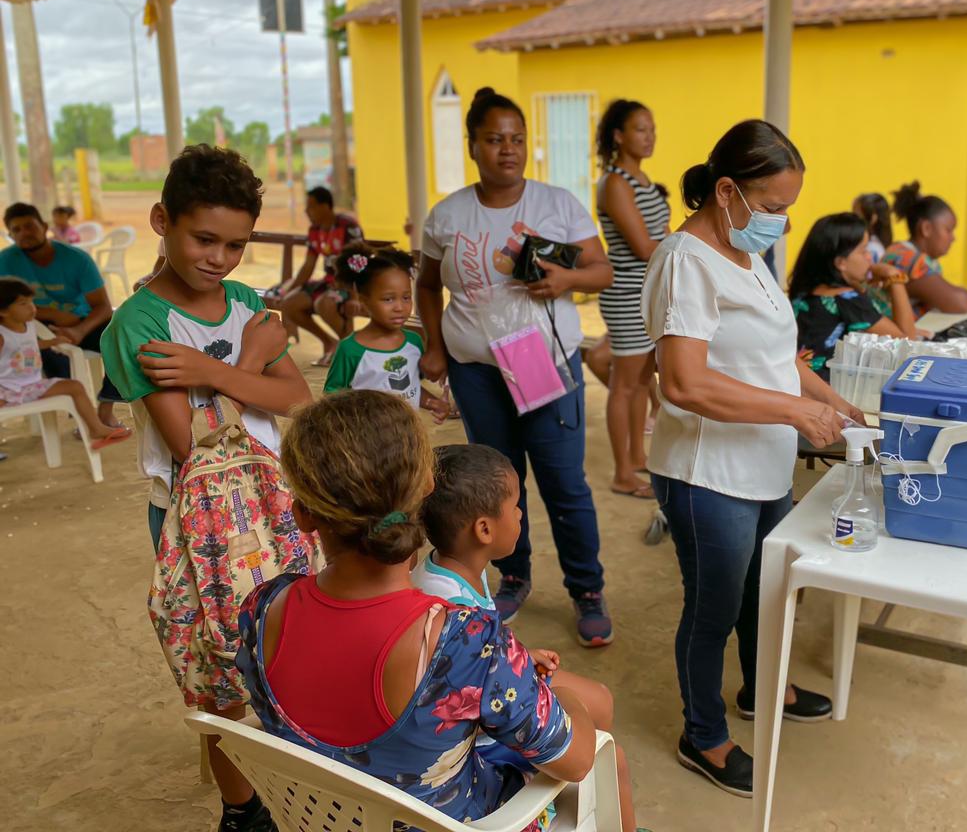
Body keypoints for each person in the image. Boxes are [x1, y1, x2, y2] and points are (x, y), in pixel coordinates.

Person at [237, 391, 621, 831]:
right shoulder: (466, 642)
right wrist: (559, 695)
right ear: (426, 490)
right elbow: (573, 762)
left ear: (303, 515)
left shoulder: (262, 611)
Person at [641, 119, 862, 796]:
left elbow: (777, 361)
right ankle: (702, 735)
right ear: (728, 191)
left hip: (761, 464)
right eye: (772, 208)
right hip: (708, 473)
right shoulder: (686, 261)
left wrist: (840, 404)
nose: (780, 223)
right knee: (713, 607)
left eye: (787, 210)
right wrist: (798, 414)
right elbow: (684, 382)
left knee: (763, 592)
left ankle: (763, 687)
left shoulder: (746, 257)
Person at [102, 144, 312, 832]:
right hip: (193, 524)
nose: (219, 258)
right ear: (163, 220)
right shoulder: (140, 324)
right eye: (204, 238)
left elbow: (292, 394)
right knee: (219, 675)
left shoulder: (246, 303)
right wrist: (249, 363)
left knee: (294, 652)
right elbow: (195, 447)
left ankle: (304, 778)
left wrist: (215, 373)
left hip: (276, 509)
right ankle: (242, 808)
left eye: (235, 244)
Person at [417, 87, 615, 647]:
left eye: (518, 139)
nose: (508, 149)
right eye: (495, 139)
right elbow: (428, 285)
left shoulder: (556, 204)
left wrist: (566, 281)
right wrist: (434, 343)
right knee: (499, 483)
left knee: (563, 482)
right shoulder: (448, 214)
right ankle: (515, 575)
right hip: (476, 366)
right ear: (473, 145)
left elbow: (600, 271)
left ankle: (587, 589)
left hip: (541, 363)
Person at [412, 443, 645, 831]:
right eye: (516, 505)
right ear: (484, 529)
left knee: (601, 702)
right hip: (481, 748)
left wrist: (516, 653)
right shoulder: (449, 604)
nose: (521, 514)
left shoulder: (448, 567)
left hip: (487, 698)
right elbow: (468, 683)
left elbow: (478, 652)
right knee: (610, 753)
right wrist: (539, 685)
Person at [595, 99, 670, 499]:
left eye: (653, 128)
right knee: (624, 384)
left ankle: (638, 455)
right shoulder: (616, 182)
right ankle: (623, 472)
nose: (650, 135)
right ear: (619, 136)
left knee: (643, 380)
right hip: (626, 291)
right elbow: (643, 246)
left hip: (649, 291)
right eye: (641, 129)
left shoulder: (643, 181)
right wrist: (683, 240)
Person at [1, 203, 124, 427]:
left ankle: (105, 409)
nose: (24, 233)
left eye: (29, 226)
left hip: (82, 321)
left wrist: (79, 329)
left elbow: (103, 306)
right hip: (33, 325)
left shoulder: (76, 259)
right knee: (50, 353)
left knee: (121, 342)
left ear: (45, 226)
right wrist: (52, 314)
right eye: (16, 230)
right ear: (10, 235)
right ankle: (79, 416)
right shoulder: (6, 262)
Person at [322, 242, 451, 421]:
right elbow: (331, 399)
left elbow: (409, 388)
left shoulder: (414, 342)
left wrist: (432, 402)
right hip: (367, 440)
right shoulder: (350, 350)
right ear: (363, 299)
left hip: (408, 435)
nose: (400, 307)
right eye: (388, 299)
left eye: (406, 297)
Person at [0, 276, 131, 448]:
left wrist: (51, 342)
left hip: (32, 385)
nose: (32, 308)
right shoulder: (2, 334)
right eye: (23, 303)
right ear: (3, 311)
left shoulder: (30, 325)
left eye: (32, 302)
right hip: (5, 388)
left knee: (75, 387)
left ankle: (97, 428)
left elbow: (28, 346)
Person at [789, 212, 917, 380]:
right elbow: (908, 340)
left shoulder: (805, 292)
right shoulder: (847, 299)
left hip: (798, 383)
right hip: (825, 391)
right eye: (864, 251)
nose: (870, 257)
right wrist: (894, 278)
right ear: (841, 263)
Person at [274, 186, 363, 366]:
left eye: (311, 206)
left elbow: (358, 262)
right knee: (290, 303)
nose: (307, 211)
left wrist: (355, 297)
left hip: (349, 283)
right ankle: (330, 343)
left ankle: (352, 352)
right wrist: (288, 290)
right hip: (329, 283)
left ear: (325, 206)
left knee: (324, 304)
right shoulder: (315, 230)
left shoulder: (348, 225)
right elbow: (308, 265)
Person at [882, 181, 967, 319]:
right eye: (948, 230)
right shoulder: (908, 260)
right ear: (926, 228)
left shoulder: (898, 250)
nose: (953, 238)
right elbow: (962, 303)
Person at [851, 192, 892, 262]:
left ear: (873, 219)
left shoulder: (872, 250)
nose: (852, 219)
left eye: (856, 215)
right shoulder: (879, 247)